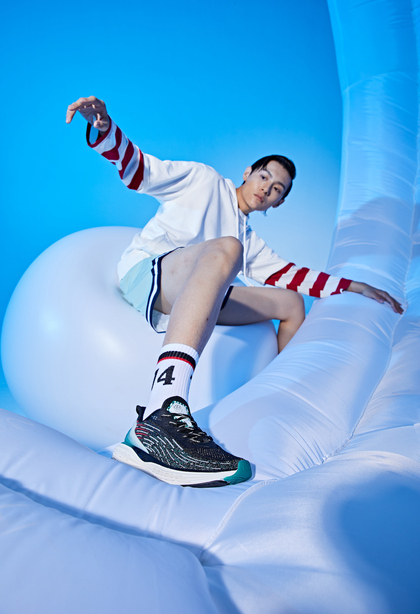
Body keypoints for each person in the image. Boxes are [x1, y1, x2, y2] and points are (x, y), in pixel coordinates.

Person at [66, 96, 403, 488]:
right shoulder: (205, 180)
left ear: (278, 203)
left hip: (198, 286)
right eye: (265, 177)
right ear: (248, 172)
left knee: (290, 303)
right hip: (151, 274)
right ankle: (161, 414)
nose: (267, 189)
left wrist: (353, 285)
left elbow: (291, 276)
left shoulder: (248, 238)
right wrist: (105, 129)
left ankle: (283, 399)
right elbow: (141, 170)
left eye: (277, 189)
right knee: (227, 249)